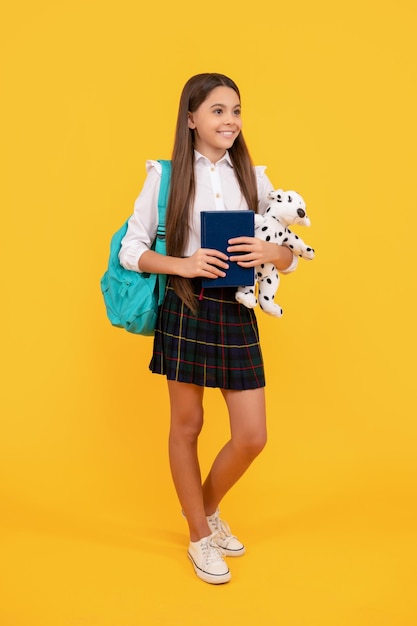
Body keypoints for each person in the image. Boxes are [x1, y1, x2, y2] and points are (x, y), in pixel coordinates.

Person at [119, 73, 298, 584]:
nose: (230, 121)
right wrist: (185, 264)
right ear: (191, 118)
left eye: (236, 111)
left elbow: (288, 251)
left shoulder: (254, 178)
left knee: (251, 435)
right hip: (187, 305)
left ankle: (205, 509)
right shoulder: (167, 176)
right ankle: (199, 536)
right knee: (188, 425)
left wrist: (274, 253)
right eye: (218, 111)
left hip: (237, 309)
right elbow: (132, 252)